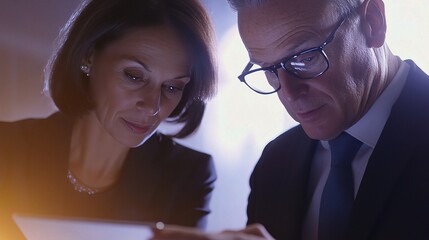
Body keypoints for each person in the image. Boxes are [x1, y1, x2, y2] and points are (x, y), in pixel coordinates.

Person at [151, 0, 429, 239]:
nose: (288, 93)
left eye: (305, 58)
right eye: (269, 70)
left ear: (373, 22)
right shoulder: (275, 163)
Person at [0, 0, 217, 239]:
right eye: (134, 76)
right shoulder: (7, 148)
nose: (153, 106)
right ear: (88, 56)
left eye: (173, 87)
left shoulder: (188, 175)